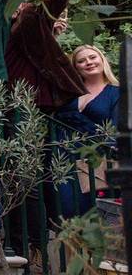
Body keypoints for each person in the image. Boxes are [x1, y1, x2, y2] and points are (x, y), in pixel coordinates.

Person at [55, 45, 119, 218]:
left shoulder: (116, 93)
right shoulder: (69, 94)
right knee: (67, 211)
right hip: (65, 160)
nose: (88, 63)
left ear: (102, 60)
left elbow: (115, 131)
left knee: (96, 214)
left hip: (97, 160)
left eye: (92, 57)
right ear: (75, 68)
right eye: (81, 61)